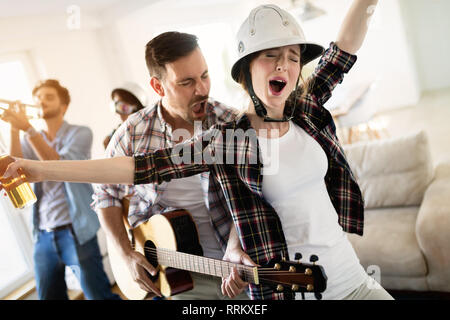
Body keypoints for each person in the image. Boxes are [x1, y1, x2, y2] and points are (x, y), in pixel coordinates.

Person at [1, 1, 394, 300]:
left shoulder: (303, 109)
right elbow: (136, 169)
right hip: (283, 286)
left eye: (293, 56)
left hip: (354, 277)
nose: (285, 65)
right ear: (246, 70)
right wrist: (38, 170)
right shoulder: (227, 140)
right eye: (271, 55)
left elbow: (341, 51)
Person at [91, 32, 251, 300]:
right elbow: (106, 194)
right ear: (158, 87)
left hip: (237, 267)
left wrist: (236, 245)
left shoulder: (231, 122)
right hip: (177, 276)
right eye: (186, 82)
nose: (201, 89)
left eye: (204, 75)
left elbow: (251, 194)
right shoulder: (131, 135)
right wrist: (124, 253)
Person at [0, 79, 120, 300]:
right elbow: (13, 166)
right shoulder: (30, 137)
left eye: (49, 97)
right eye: (38, 98)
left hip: (76, 232)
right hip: (43, 233)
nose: (41, 101)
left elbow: (59, 166)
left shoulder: (80, 133)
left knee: (98, 296)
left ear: (64, 106)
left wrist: (27, 127)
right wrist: (15, 129)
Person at [103, 82, 147, 149]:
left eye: (123, 108)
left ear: (137, 109)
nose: (118, 113)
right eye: (115, 106)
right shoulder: (115, 133)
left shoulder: (143, 131)